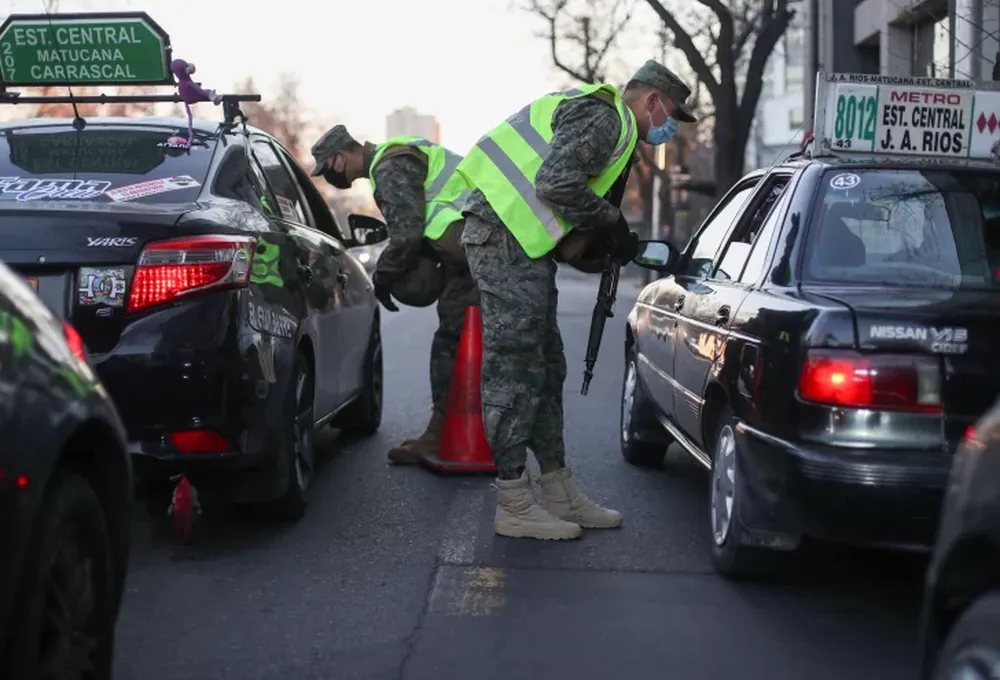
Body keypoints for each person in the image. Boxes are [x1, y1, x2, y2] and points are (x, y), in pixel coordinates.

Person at [457, 59, 698, 541]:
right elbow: (556, 184)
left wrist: (605, 237)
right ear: (652, 101)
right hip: (501, 237)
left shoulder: (613, 122)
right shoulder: (605, 117)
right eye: (670, 114)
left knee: (546, 365)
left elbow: (562, 207)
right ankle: (514, 501)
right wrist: (611, 223)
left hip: (519, 241)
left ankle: (559, 490)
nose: (670, 129)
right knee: (516, 367)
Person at [309, 126, 479, 464]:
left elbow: (405, 239)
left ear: (340, 158)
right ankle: (450, 431)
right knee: (462, 337)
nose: (328, 176)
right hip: (479, 246)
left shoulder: (388, 168)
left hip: (482, 248)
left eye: (326, 168)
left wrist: (382, 280)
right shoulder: (398, 153)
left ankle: (443, 436)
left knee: (451, 342)